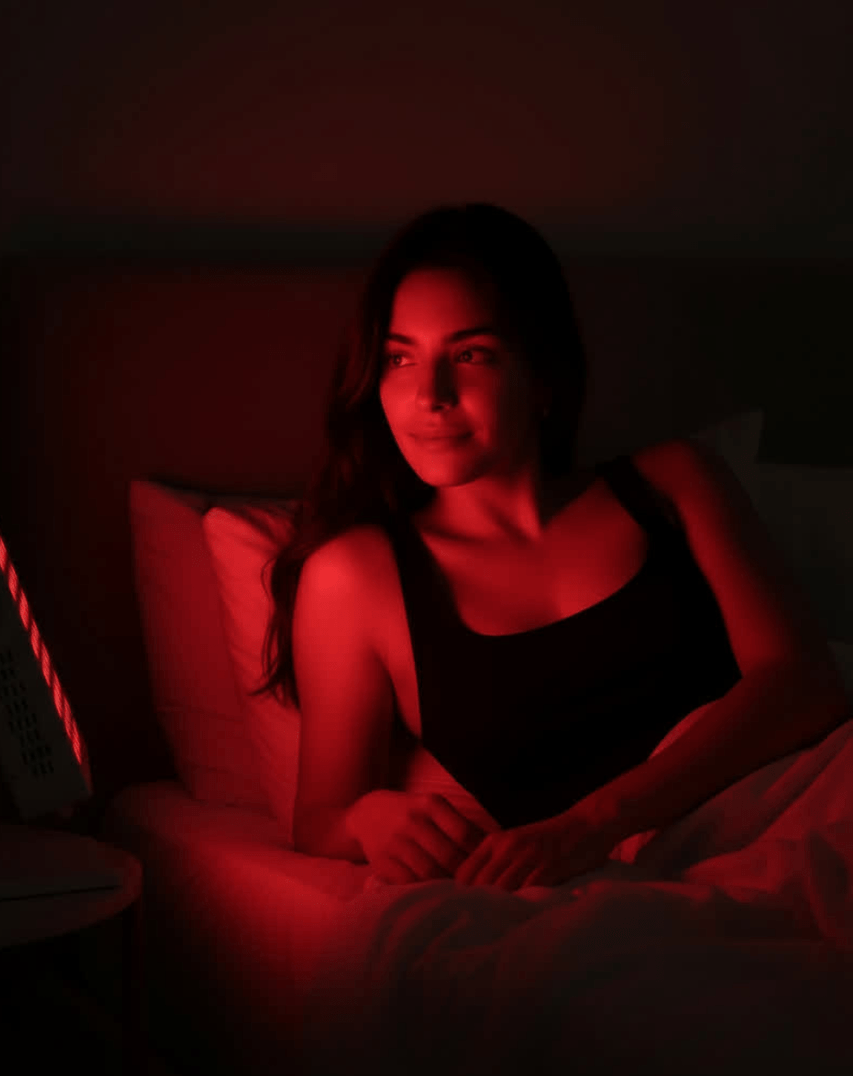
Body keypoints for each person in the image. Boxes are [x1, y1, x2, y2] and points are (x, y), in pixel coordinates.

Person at [250, 203, 849, 892]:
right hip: (670, 881)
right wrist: (369, 819)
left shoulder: (674, 483)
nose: (429, 395)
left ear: (542, 377)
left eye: (470, 354)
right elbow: (320, 816)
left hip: (810, 790)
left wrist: (591, 824)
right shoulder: (356, 576)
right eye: (398, 357)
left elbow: (804, 683)